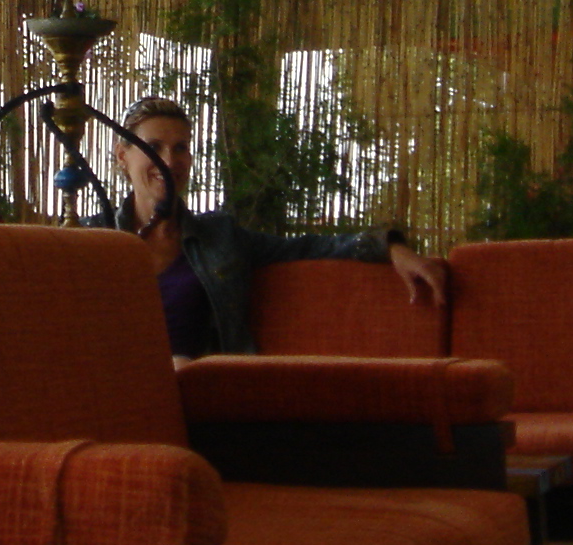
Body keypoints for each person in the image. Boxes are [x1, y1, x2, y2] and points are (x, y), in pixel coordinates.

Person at [94, 95, 448, 360]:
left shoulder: (221, 237)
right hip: (114, 392)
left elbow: (311, 247)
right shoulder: (90, 241)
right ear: (123, 156)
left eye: (181, 148)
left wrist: (390, 247)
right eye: (153, 147)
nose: (169, 161)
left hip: (203, 394)